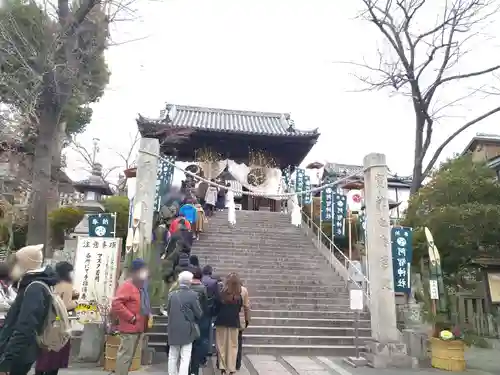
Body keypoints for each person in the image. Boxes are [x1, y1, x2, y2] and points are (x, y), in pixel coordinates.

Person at [0, 244, 58, 375]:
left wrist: (6, 362)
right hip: (22, 352)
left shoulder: (34, 288)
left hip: (18, 355)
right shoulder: (36, 284)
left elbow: (25, 327)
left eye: (15, 262)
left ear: (23, 264)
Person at [35, 261, 79, 375]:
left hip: (48, 321)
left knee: (45, 353)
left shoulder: (52, 283)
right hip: (61, 324)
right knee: (56, 353)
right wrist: (76, 303)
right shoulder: (68, 285)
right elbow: (66, 305)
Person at [111, 259, 151, 375]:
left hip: (138, 327)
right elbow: (116, 304)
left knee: (130, 356)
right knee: (125, 356)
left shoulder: (140, 286)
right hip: (129, 328)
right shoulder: (127, 286)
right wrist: (131, 317)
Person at [167, 271, 202, 375]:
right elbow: (199, 313)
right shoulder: (193, 295)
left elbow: (168, 311)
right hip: (187, 329)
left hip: (173, 328)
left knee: (173, 356)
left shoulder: (172, 295)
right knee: (185, 357)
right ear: (190, 282)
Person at [213, 273, 243, 375]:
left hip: (221, 321)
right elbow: (239, 310)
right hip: (234, 322)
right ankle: (231, 367)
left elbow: (216, 308)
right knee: (233, 346)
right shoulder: (239, 297)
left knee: (221, 345)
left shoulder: (221, 294)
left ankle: (222, 367)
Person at [188, 267, 209, 375]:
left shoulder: (187, 287)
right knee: (197, 345)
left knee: (186, 346)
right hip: (198, 320)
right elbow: (205, 305)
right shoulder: (202, 288)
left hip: (186, 319)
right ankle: (194, 370)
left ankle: (185, 369)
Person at [236, 282, 250, 371]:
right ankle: (237, 363)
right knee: (238, 342)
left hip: (226, 320)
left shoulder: (225, 289)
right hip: (239, 320)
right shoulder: (243, 290)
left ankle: (223, 364)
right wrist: (247, 320)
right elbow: (246, 307)